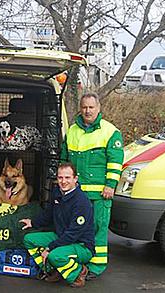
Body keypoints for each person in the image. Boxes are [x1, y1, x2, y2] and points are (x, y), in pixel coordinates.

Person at [60, 92, 124, 279]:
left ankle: (96, 266)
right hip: (76, 194)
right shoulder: (72, 130)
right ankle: (81, 261)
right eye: (84, 107)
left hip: (99, 195)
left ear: (98, 108)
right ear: (80, 109)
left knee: (98, 228)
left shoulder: (110, 132)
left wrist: (110, 185)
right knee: (76, 228)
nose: (87, 111)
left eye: (91, 107)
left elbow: (115, 161)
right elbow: (65, 159)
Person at [20, 163, 94, 288]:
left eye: (67, 177)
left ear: (75, 179)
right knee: (29, 240)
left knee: (55, 255)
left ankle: (78, 272)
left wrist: (49, 248)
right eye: (60, 177)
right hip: (61, 237)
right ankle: (53, 270)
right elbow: (49, 214)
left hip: (81, 245)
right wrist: (33, 222)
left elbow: (73, 234)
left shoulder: (81, 202)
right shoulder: (57, 193)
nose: (63, 181)